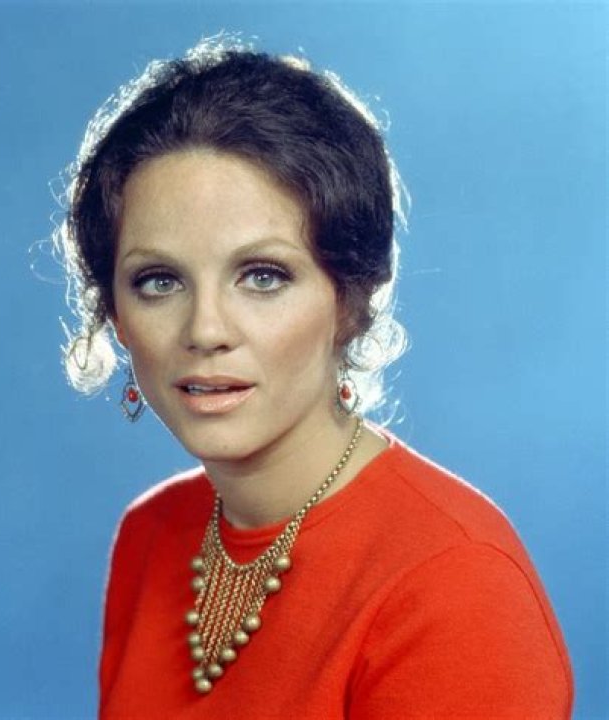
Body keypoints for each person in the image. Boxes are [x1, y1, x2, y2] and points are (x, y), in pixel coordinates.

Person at [54, 37, 573, 719]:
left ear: (350, 300)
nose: (205, 329)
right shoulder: (150, 533)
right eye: (159, 281)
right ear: (115, 317)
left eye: (263, 276)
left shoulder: (455, 583)